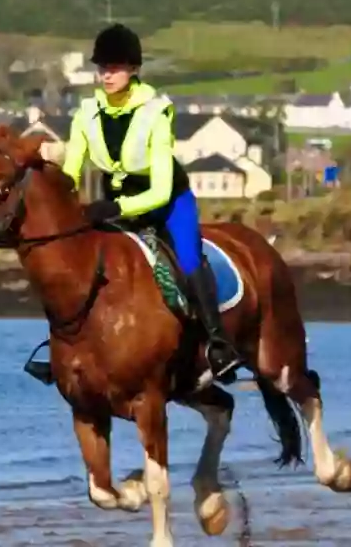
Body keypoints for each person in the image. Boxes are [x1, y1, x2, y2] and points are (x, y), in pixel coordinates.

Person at [61, 22, 241, 386]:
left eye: (115, 67)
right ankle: (69, 349)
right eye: (102, 68)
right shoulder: (85, 114)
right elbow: (71, 172)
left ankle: (220, 344)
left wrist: (115, 209)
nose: (107, 75)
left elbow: (159, 190)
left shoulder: (157, 112)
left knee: (189, 261)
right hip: (117, 205)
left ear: (133, 69)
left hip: (169, 202)